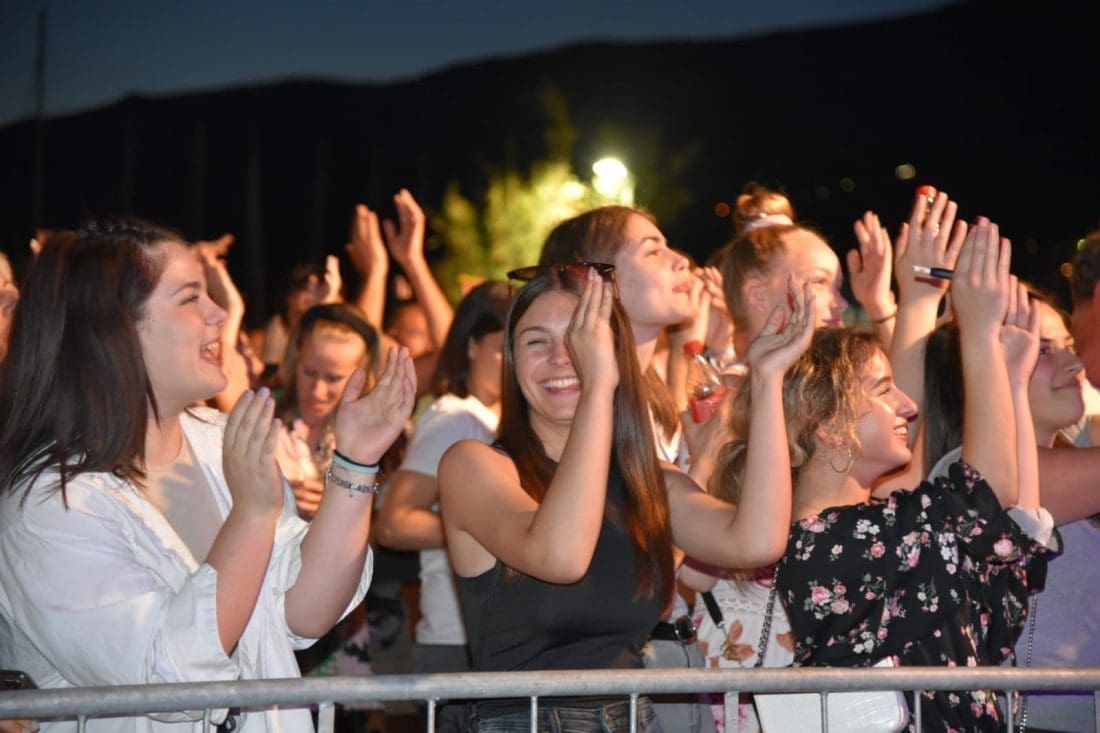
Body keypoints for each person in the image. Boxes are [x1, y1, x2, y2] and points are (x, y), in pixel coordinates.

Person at [0, 219, 415, 732]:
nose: (219, 313)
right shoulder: (49, 503)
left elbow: (304, 613)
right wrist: (252, 515)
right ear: (118, 328)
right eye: (190, 298)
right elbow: (165, 679)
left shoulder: (220, 440)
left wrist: (356, 462)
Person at [437, 264, 815, 731]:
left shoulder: (646, 479)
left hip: (631, 717)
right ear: (512, 361)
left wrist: (768, 378)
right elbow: (561, 557)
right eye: (536, 342)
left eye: (580, 339)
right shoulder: (474, 465)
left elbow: (756, 541)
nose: (562, 358)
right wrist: (598, 386)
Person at [715, 220, 1054, 731]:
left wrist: (1012, 378)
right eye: (883, 389)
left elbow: (1007, 543)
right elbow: (985, 492)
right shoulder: (824, 544)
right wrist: (979, 333)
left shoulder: (882, 524)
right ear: (829, 424)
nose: (909, 405)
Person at [923, 291, 1098, 732]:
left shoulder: (1071, 464)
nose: (1075, 364)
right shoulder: (971, 477)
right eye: (1043, 350)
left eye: (1068, 346)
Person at [374, 281, 512, 675]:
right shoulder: (453, 419)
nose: (514, 362)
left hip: (498, 637)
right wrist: (501, 532)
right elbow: (395, 523)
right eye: (503, 349)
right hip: (456, 644)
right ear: (471, 345)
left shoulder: (500, 421)